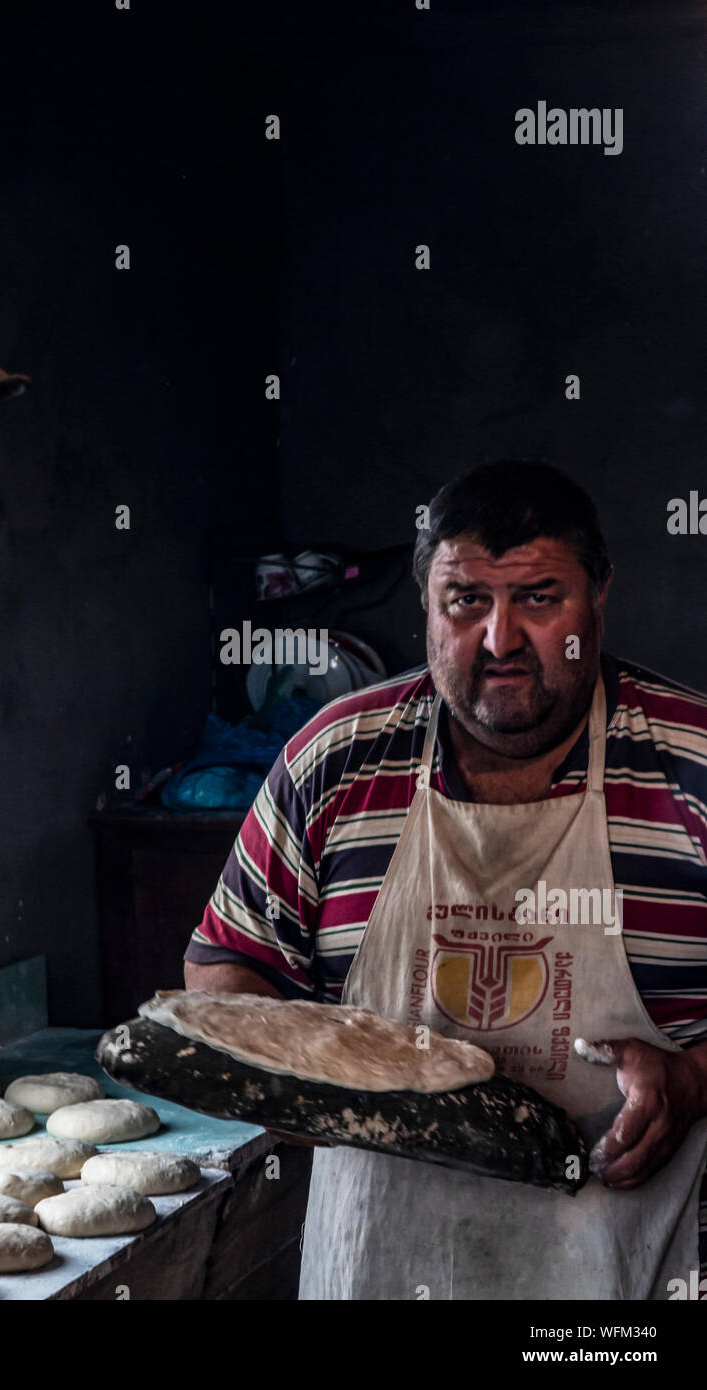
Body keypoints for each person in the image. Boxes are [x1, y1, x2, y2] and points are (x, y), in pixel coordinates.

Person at [184, 460, 707, 1300]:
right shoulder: (335, 762)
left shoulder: (692, 768)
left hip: (618, 1289)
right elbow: (222, 969)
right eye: (466, 600)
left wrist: (692, 1079)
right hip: (381, 1266)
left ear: (600, 594)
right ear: (426, 602)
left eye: (539, 596)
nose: (501, 640)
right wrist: (291, 1081)